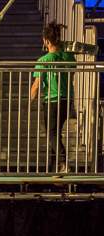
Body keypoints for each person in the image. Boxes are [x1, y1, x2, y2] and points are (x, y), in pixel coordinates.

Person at [30, 21, 76, 175]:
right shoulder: (68, 57)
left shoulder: (43, 60)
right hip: (67, 99)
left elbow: (36, 85)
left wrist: (30, 99)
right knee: (56, 132)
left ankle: (62, 162)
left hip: (52, 100)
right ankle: (53, 166)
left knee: (52, 133)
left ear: (46, 41)